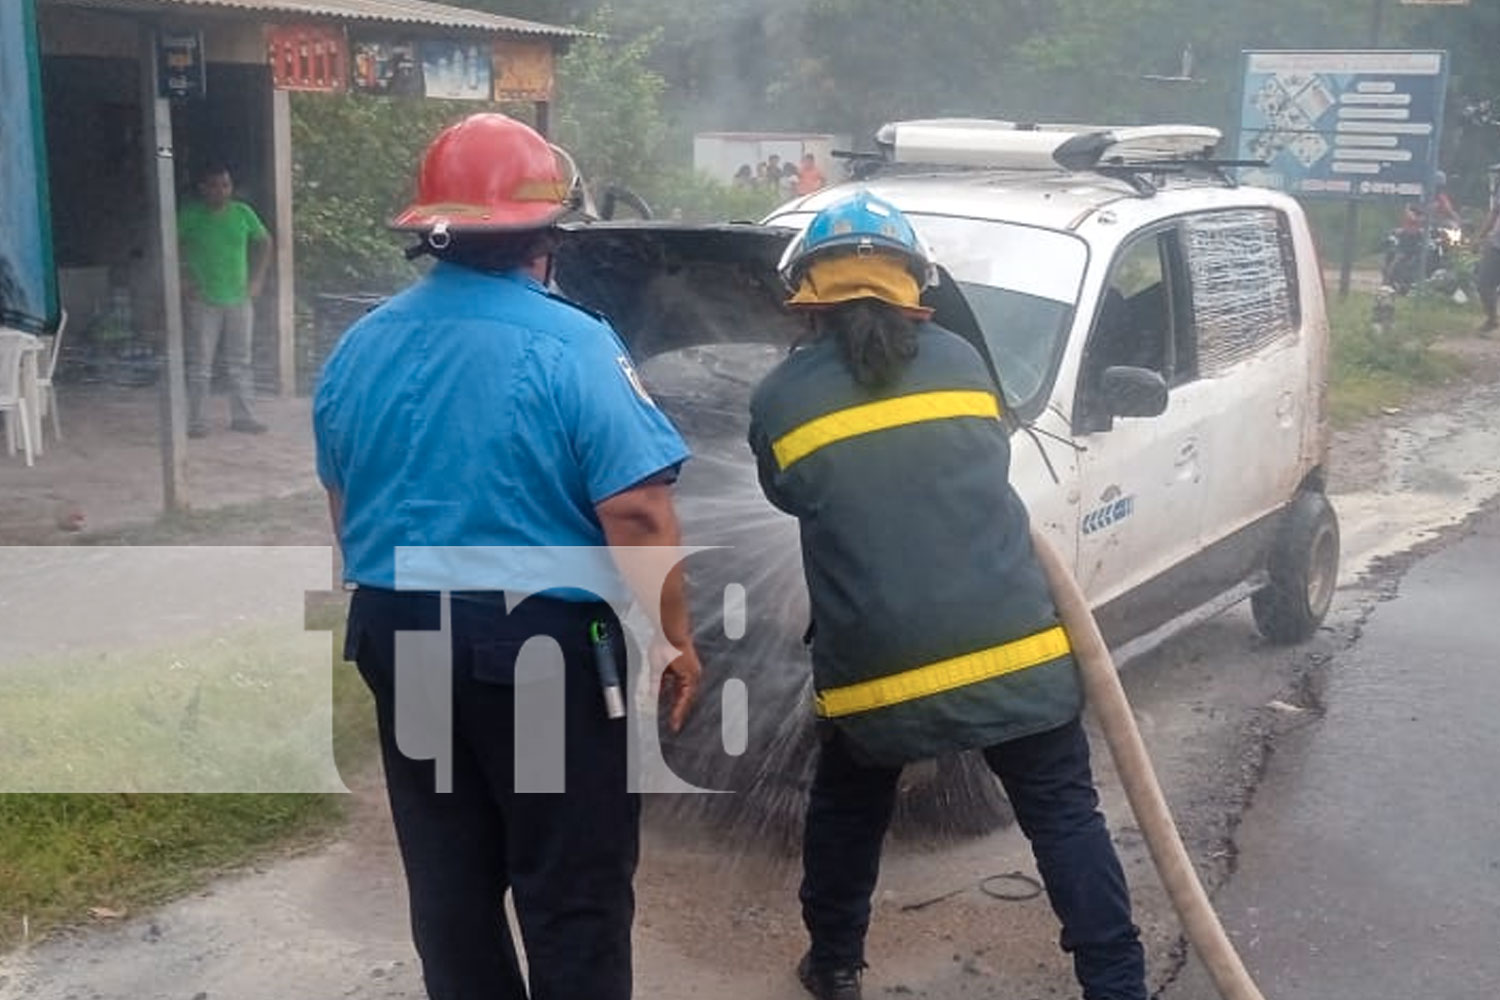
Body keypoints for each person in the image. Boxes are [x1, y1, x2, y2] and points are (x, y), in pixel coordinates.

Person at [313, 113, 703, 1000]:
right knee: (571, 885)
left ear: (431, 234)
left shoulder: (359, 346)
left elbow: (345, 503)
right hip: (532, 651)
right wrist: (675, 636)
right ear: (547, 234)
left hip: (397, 629)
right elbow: (638, 512)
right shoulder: (572, 341)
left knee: (449, 879)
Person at [747, 191, 1148, 1000]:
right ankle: (1118, 982)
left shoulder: (780, 400)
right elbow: (976, 461)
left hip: (878, 675)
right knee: (1066, 817)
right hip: (1019, 650)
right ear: (916, 291)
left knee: (850, 809)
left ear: (808, 302)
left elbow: (791, 496)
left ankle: (833, 965)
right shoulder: (966, 363)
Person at [177, 162, 272, 436]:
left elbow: (265, 241)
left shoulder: (243, 213)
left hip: (239, 298)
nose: (221, 191)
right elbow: (171, 244)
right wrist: (183, 277)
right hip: (204, 299)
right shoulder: (190, 216)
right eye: (215, 186)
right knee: (200, 364)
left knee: (240, 362)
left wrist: (258, 279)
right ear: (203, 189)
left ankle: (244, 417)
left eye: (226, 185)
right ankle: (197, 422)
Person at [1478, 164, 1500, 335]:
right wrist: (1481, 237)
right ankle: (1492, 318)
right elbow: (1494, 214)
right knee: (1484, 283)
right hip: (1496, 243)